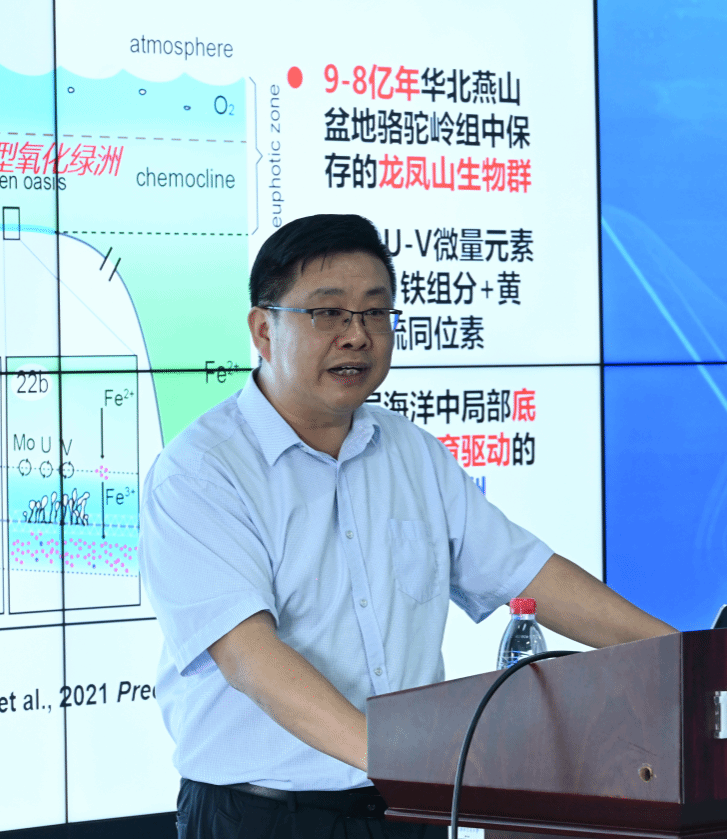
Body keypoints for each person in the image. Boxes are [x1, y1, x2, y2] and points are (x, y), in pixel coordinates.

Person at [140, 214, 677, 839]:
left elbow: (528, 576)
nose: (356, 336)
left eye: (375, 313)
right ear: (263, 329)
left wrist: (690, 662)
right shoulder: (203, 471)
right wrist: (402, 760)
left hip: (406, 809)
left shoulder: (412, 452)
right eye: (328, 313)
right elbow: (249, 657)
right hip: (262, 815)